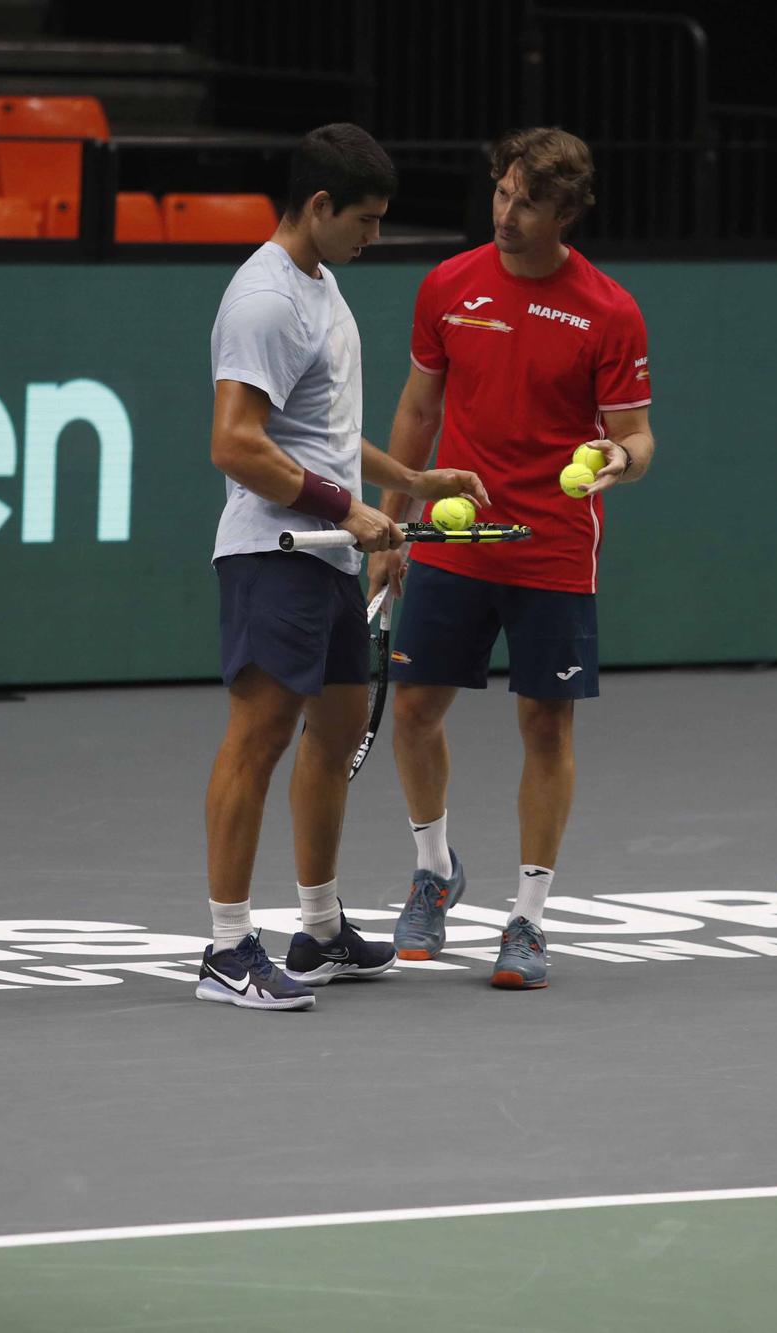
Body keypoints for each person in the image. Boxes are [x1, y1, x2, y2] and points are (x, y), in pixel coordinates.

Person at [199, 123, 490, 1011]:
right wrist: (348, 510)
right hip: (276, 553)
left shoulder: (320, 290)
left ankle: (319, 928)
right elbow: (235, 443)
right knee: (258, 739)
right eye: (364, 220)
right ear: (318, 206)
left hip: (324, 555)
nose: (373, 237)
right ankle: (224, 948)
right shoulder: (264, 300)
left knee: (330, 739)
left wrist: (405, 479)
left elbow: (317, 429)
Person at [370, 127, 656, 990]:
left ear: (565, 212)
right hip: (456, 535)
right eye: (501, 192)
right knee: (416, 707)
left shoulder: (609, 310)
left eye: (528, 200)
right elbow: (419, 413)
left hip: (553, 548)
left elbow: (636, 437)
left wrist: (617, 461)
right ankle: (433, 870)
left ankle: (527, 919)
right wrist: (392, 526)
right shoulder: (448, 286)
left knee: (546, 724)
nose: (507, 212)